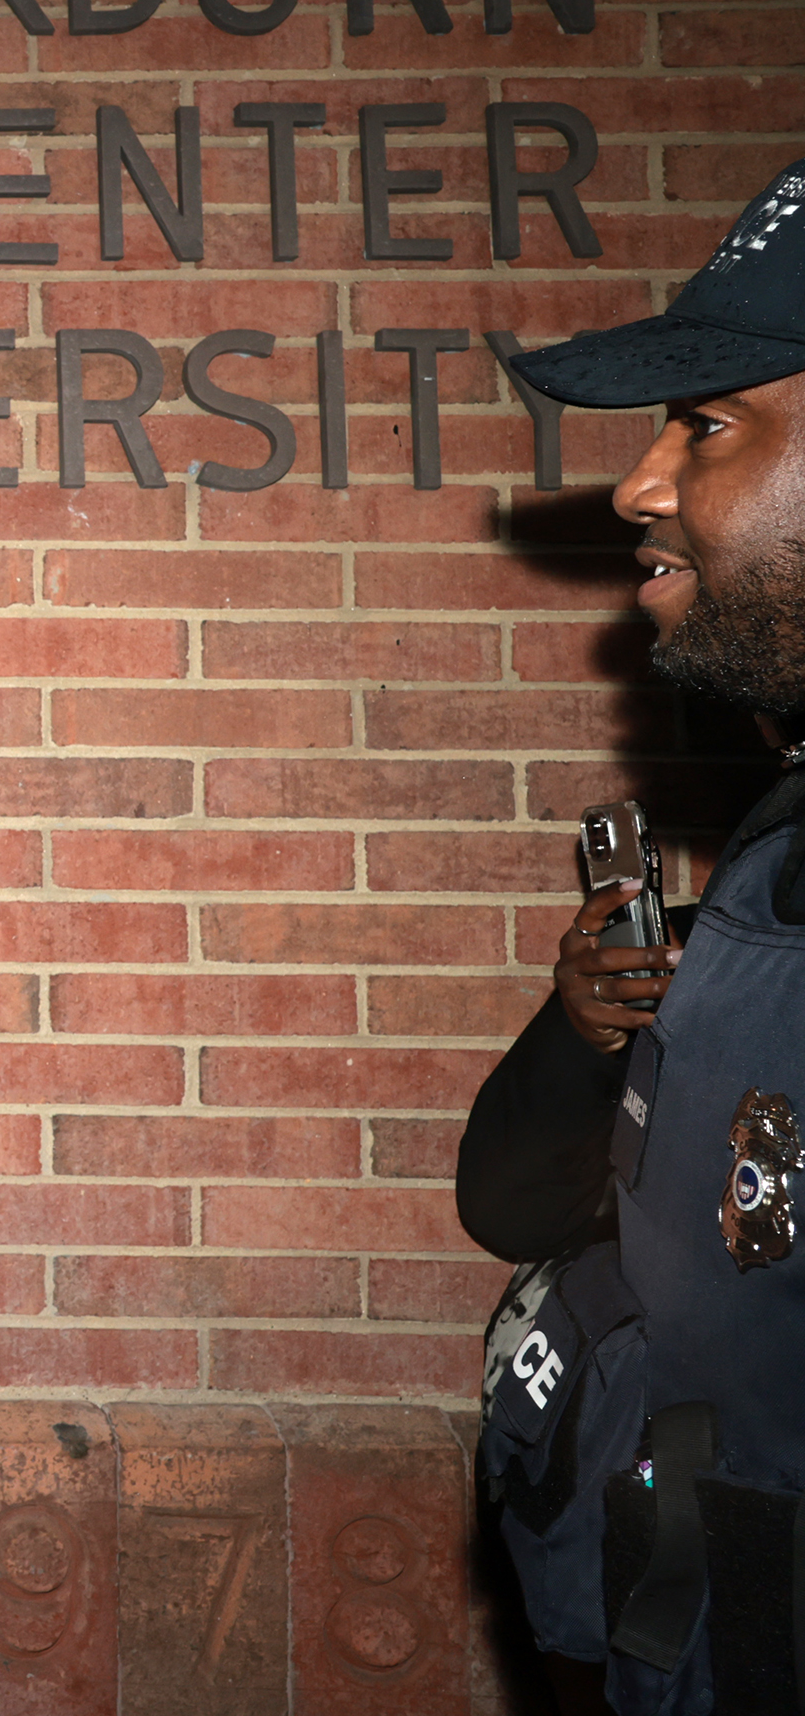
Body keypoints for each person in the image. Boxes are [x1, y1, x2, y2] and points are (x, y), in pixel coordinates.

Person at [459, 157, 805, 1714]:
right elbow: (527, 1202)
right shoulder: (771, 873)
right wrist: (590, 1034)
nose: (640, 484)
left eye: (711, 422)